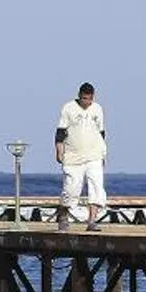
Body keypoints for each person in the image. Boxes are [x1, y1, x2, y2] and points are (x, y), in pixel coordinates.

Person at [54, 82, 108, 229]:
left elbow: (101, 132)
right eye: (84, 98)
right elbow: (60, 131)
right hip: (73, 155)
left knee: (96, 187)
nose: (86, 102)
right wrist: (59, 150)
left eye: (89, 99)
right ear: (79, 96)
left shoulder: (97, 109)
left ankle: (92, 221)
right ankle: (63, 214)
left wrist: (103, 154)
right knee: (71, 188)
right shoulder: (68, 108)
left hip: (94, 154)